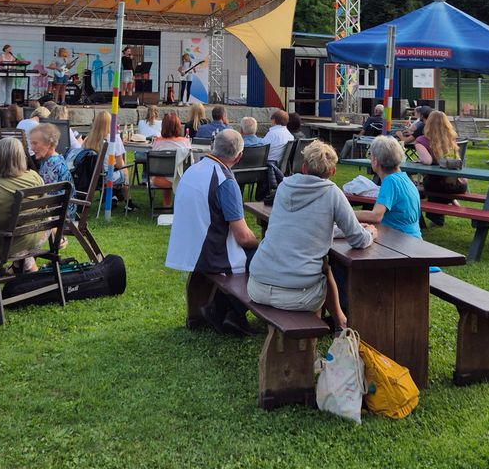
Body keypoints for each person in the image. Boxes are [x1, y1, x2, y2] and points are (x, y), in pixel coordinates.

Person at [248, 140, 374, 327]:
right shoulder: (332, 193)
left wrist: (339, 232)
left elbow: (307, 226)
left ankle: (338, 323)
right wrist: (370, 233)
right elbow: (358, 239)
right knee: (322, 270)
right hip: (298, 295)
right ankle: (335, 325)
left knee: (321, 269)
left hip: (257, 286)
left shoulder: (284, 187)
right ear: (333, 171)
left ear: (304, 167)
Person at [164, 129, 259, 335]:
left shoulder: (193, 170)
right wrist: (261, 243)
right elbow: (243, 237)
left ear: (213, 146)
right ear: (239, 156)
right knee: (261, 258)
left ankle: (214, 312)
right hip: (211, 252)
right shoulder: (225, 181)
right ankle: (232, 312)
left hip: (189, 247)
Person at [0, 137, 50, 274]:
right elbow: (44, 209)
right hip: (36, 237)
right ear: (21, 158)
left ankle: (24, 270)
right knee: (18, 233)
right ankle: (27, 271)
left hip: (4, 247)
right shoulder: (34, 177)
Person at [353, 135, 421, 238]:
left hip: (399, 239)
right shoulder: (405, 178)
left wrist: (347, 213)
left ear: (375, 161)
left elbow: (376, 216)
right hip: (413, 237)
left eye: (370, 155)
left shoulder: (390, 181)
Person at [413, 110, 467, 210]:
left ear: (428, 123)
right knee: (433, 183)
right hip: (459, 185)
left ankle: (435, 215)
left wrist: (420, 159)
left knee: (427, 183)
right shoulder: (451, 138)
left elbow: (427, 161)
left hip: (438, 185)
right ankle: (451, 200)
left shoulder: (422, 140)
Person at [76, 110, 128, 204]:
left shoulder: (88, 139)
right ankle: (128, 201)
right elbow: (120, 165)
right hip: (108, 177)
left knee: (115, 168)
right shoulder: (114, 139)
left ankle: (114, 196)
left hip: (92, 177)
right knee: (124, 170)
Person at [149, 113, 191, 210]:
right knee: (173, 174)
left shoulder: (157, 142)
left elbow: (154, 164)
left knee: (165, 174)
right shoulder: (185, 142)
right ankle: (180, 206)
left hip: (161, 181)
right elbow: (190, 162)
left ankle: (167, 205)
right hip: (181, 180)